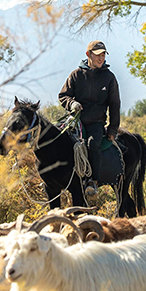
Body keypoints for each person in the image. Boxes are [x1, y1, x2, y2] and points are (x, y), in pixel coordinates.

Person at [58, 40, 121, 196]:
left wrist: (113, 129)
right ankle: (59, 178)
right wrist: (72, 103)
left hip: (96, 123)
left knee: (92, 144)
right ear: (88, 55)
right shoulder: (76, 75)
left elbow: (115, 105)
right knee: (58, 141)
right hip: (75, 121)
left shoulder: (109, 78)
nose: (101, 58)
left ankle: (92, 181)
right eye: (98, 55)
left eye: (103, 55)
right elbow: (63, 96)